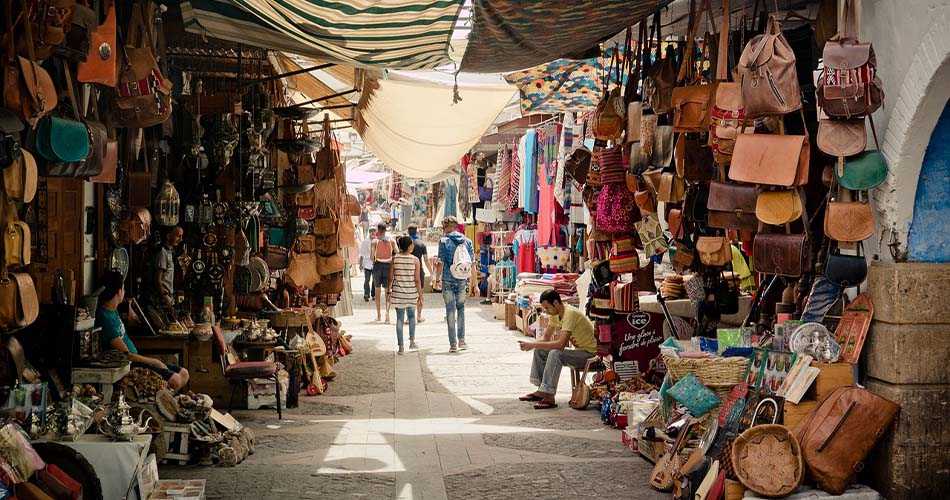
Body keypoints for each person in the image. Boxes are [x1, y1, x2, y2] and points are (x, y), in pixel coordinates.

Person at [96, 271, 190, 391]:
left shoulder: (112, 310)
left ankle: (164, 399)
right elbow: (126, 355)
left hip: (137, 359)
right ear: (119, 291)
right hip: (131, 365)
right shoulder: (105, 318)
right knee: (175, 379)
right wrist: (153, 361)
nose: (124, 292)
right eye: (123, 288)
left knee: (184, 373)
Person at [518, 289, 597, 409]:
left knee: (556, 353)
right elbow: (545, 338)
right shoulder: (555, 315)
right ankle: (541, 390)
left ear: (555, 303)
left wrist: (533, 345)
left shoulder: (570, 313)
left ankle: (549, 395)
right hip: (580, 352)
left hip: (591, 355)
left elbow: (560, 345)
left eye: (547, 308)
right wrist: (531, 344)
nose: (546, 311)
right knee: (540, 350)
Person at [437, 216, 475, 353]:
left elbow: (440, 262)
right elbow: (472, 264)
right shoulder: (467, 241)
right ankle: (462, 340)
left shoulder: (443, 241)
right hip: (462, 279)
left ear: (447, 227)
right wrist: (474, 284)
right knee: (461, 309)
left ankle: (453, 344)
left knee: (450, 311)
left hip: (447, 279)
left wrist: (436, 279)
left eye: (443, 227)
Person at [388, 236, 422, 354]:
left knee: (399, 319)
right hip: (411, 293)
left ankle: (401, 347)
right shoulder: (415, 260)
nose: (413, 246)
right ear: (408, 246)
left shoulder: (394, 259)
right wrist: (420, 295)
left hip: (398, 293)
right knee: (412, 317)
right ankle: (412, 342)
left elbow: (391, 277)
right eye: (411, 244)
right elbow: (417, 279)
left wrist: (389, 291)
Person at [146, 226, 184, 330]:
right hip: (160, 300)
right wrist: (165, 297)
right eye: (178, 236)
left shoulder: (170, 252)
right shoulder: (162, 252)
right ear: (168, 236)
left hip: (168, 298)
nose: (180, 239)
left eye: (181, 236)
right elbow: (158, 279)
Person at [371, 223, 395, 323]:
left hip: (378, 266)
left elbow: (372, 257)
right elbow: (396, 252)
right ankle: (387, 315)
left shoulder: (375, 241)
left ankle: (378, 315)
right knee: (387, 291)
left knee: (377, 291)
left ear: (378, 230)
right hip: (388, 266)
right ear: (386, 230)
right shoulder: (392, 240)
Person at [407, 225, 432, 322]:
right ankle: (418, 316)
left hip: (407, 271)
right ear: (417, 231)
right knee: (420, 294)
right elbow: (426, 260)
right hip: (419, 272)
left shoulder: (405, 243)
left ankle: (409, 317)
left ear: (408, 232)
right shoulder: (421, 244)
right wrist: (431, 273)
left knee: (408, 294)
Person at [359, 228, 377, 302]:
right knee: (367, 280)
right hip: (367, 264)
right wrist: (360, 264)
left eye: (374, 232)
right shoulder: (365, 242)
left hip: (375, 263)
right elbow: (361, 254)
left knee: (375, 280)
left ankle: (373, 295)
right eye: (371, 232)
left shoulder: (378, 241)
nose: (372, 233)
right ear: (369, 233)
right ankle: (366, 294)